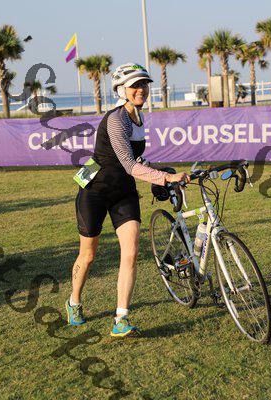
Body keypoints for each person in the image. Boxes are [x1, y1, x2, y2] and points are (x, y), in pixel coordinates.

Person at [67, 63, 189, 337]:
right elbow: (129, 164)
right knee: (88, 255)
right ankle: (74, 301)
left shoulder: (138, 117)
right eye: (135, 85)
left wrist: (161, 171)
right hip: (95, 190)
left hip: (123, 192)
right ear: (122, 90)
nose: (141, 89)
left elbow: (137, 160)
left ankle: (121, 319)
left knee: (131, 252)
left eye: (144, 84)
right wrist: (165, 178)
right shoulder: (116, 118)